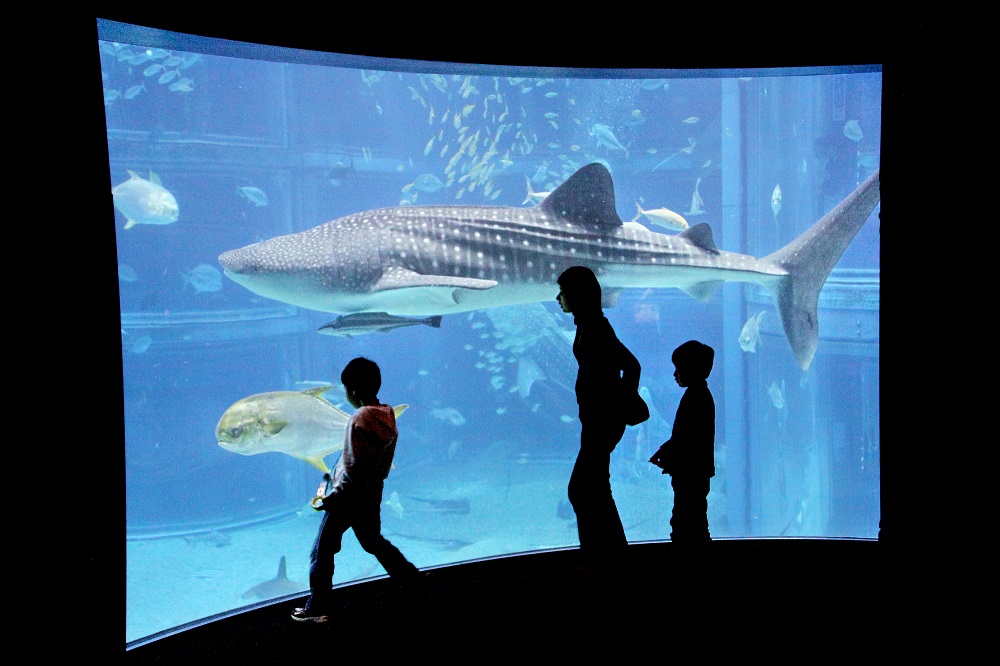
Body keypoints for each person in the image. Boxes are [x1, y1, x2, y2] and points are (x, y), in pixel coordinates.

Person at [292, 357, 421, 622]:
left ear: (352, 389)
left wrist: (332, 497)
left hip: (348, 496)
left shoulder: (360, 418)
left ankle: (318, 607)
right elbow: (373, 463)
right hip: (372, 491)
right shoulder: (387, 414)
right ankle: (411, 578)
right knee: (373, 541)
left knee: (323, 550)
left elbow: (353, 464)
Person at [556, 266, 641, 577]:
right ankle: (611, 557)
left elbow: (631, 365)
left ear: (577, 294)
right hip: (595, 419)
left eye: (563, 292)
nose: (558, 298)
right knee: (593, 489)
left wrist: (621, 403)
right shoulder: (588, 325)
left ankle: (599, 559)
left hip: (601, 421)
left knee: (582, 489)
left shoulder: (596, 327)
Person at [649, 340, 716, 545]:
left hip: (691, 474)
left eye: (678, 368)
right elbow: (686, 437)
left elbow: (689, 440)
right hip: (694, 473)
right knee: (691, 520)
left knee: (687, 522)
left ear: (690, 369)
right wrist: (666, 450)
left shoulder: (696, 398)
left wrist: (671, 457)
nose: (674, 374)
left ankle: (689, 564)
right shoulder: (698, 395)